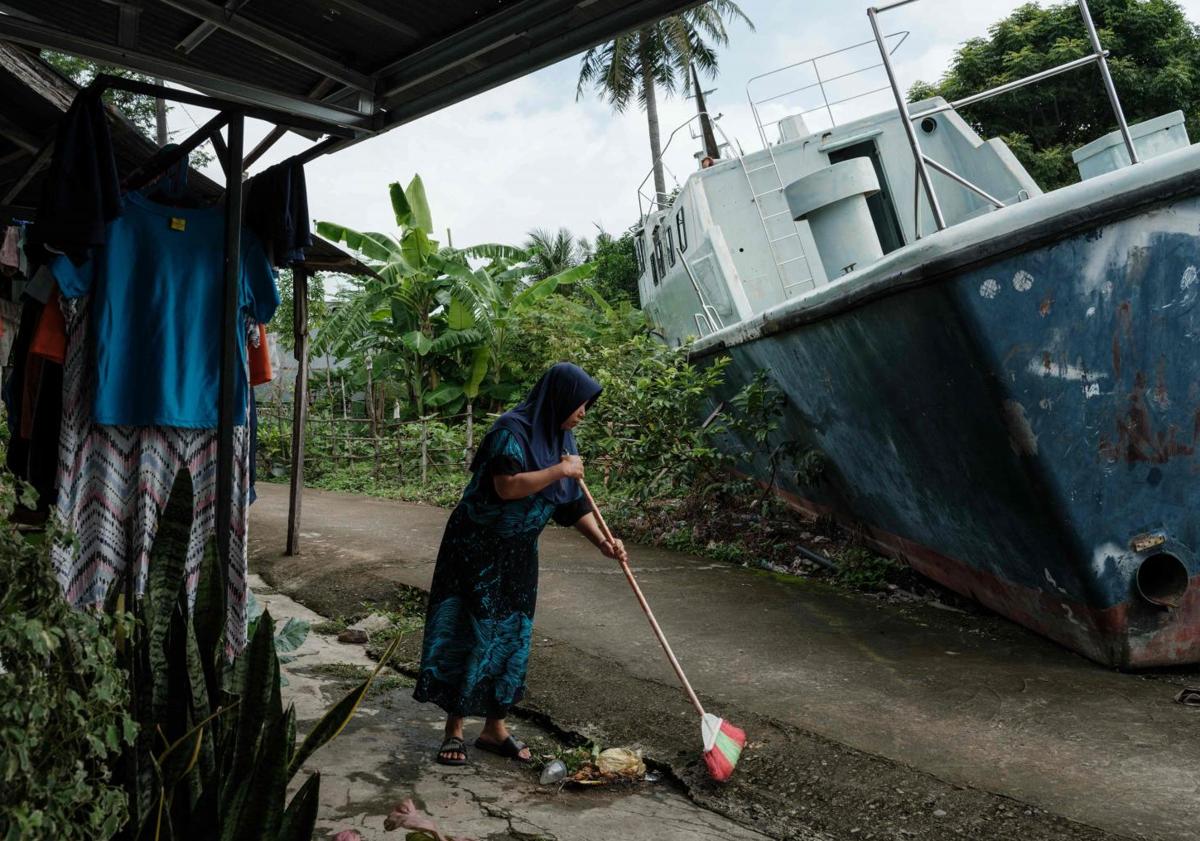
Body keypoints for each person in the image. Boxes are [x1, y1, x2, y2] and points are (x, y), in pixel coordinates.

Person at [412, 362, 628, 765]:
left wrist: (603, 541)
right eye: (581, 404)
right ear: (560, 397)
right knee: (468, 628)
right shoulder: (511, 432)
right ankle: (454, 730)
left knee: (513, 634)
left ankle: (495, 728)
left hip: (518, 554)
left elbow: (571, 503)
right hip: (474, 550)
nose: (583, 413)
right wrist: (558, 469)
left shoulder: (564, 441)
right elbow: (505, 486)